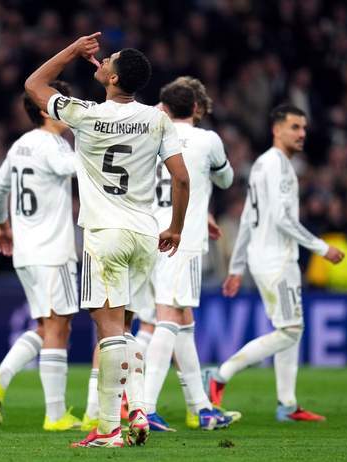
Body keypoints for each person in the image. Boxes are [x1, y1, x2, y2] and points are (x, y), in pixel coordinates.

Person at [25, 32, 190, 448]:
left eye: (109, 59)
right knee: (127, 327)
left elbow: (33, 85)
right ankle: (138, 408)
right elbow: (181, 178)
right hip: (145, 234)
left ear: (113, 78)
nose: (102, 60)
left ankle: (108, 429)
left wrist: (72, 50)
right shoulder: (157, 119)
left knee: (108, 328)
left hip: (105, 234)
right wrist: (176, 227)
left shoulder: (85, 114)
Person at [205, 104, 345, 422]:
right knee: (291, 329)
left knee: (289, 327)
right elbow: (282, 219)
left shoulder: (261, 164)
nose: (302, 133)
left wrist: (237, 267)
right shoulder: (279, 166)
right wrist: (321, 247)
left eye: (304, 128)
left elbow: (247, 218)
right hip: (277, 260)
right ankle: (220, 374)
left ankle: (287, 404)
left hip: (264, 257)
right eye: (295, 127)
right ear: (276, 129)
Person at [0, 80, 82, 431]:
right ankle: (55, 415)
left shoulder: (21, 145)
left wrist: (2, 225)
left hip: (26, 252)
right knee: (58, 326)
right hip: (53, 251)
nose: (68, 109)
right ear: (44, 109)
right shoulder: (52, 145)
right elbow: (74, 168)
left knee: (47, 326)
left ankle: (0, 380)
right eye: (61, 103)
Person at [138, 78, 237, 432]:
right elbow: (226, 179)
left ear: (164, 107)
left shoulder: (150, 135)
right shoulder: (207, 140)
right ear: (195, 108)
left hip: (150, 233)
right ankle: (145, 409)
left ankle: (202, 408)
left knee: (183, 321)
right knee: (167, 317)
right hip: (181, 238)